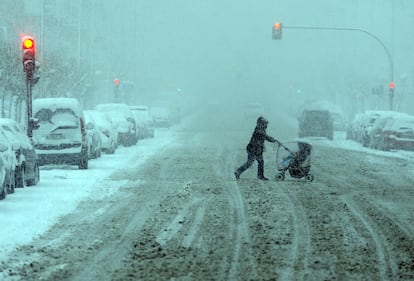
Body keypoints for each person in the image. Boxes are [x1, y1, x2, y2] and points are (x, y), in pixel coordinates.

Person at [235, 116, 278, 180]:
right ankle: (237, 172)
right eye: (265, 123)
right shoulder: (259, 130)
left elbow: (265, 137)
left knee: (260, 162)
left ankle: (260, 175)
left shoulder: (261, 129)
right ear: (261, 123)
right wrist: (274, 140)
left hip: (257, 149)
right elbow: (266, 137)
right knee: (249, 163)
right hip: (253, 149)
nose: (266, 125)